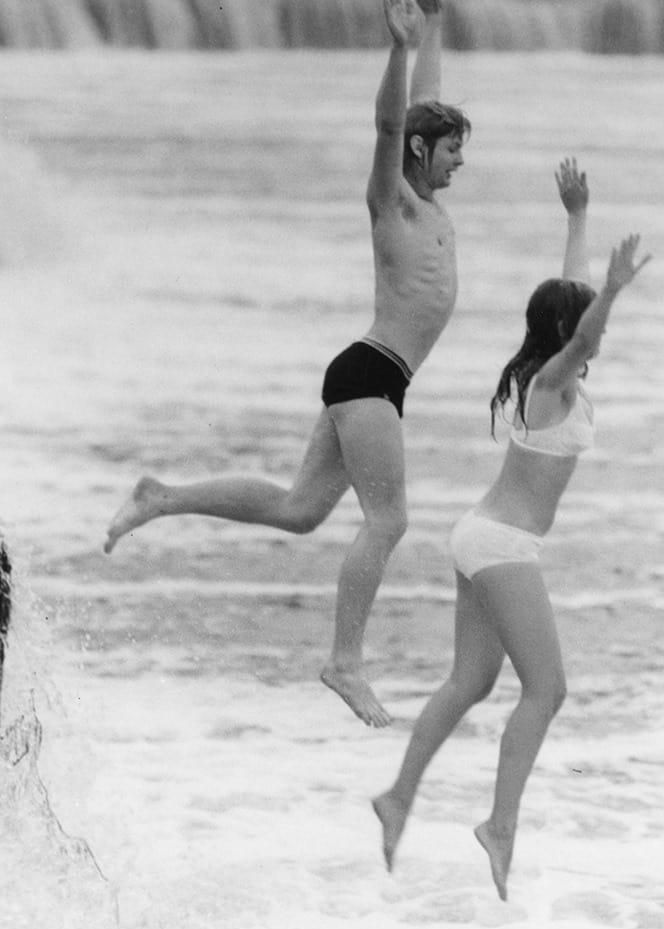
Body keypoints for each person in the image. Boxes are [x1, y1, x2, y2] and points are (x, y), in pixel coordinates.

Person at [102, 0, 468, 730]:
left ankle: (160, 497)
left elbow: (421, 112)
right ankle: (345, 662)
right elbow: (395, 125)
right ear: (423, 154)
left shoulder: (426, 204)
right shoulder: (389, 203)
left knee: (301, 511)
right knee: (387, 522)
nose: (462, 159)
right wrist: (396, 52)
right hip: (370, 373)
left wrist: (427, 33)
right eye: (453, 148)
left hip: (374, 378)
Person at [373, 160, 651, 901]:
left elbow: (573, 298)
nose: (596, 337)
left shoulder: (545, 377)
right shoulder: (553, 381)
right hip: (500, 544)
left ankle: (399, 796)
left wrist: (577, 219)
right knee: (547, 690)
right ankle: (499, 825)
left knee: (471, 680)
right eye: (586, 329)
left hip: (482, 537)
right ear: (568, 337)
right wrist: (616, 292)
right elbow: (585, 321)